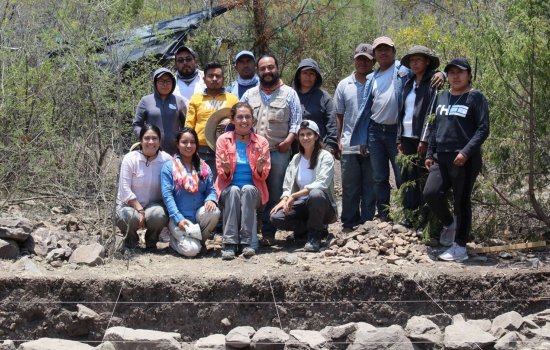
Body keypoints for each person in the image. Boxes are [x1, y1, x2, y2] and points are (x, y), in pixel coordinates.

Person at [350, 36, 445, 222]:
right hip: (375, 131)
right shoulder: (372, 77)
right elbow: (366, 110)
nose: (383, 52)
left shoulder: (404, 70)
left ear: (394, 52)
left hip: (397, 132)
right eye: (379, 50)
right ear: (375, 55)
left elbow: (425, 72)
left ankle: (408, 214)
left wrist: (442, 73)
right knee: (379, 176)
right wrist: (363, 139)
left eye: (387, 49)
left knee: (403, 176)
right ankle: (384, 214)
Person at [423, 58, 489, 261]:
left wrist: (466, 152)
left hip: (464, 158)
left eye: (460, 72)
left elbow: (483, 129)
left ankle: (460, 246)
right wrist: (429, 153)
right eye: (451, 73)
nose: (455, 76)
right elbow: (435, 127)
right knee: (430, 193)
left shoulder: (475, 97)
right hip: (440, 156)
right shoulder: (442, 97)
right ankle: (449, 223)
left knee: (462, 202)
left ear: (469, 75)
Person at [241, 54, 302, 241]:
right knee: (251, 192)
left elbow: (296, 122)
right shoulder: (249, 94)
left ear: (277, 68)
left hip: (278, 152)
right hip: (250, 153)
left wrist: (289, 141)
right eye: (263, 68)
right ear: (258, 71)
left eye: (271, 67)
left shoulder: (289, 93)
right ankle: (249, 233)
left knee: (275, 193)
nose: (267, 71)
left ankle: (268, 233)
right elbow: (239, 119)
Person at [270, 120, 337, 252]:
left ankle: (315, 237)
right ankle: (305, 231)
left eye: (309, 134)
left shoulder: (326, 157)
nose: (305, 138)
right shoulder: (296, 158)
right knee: (276, 217)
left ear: (316, 136)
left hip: (323, 206)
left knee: (315, 194)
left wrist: (294, 196)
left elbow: (321, 183)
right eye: (302, 135)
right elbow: (288, 184)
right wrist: (284, 199)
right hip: (302, 204)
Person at [215, 102, 271, 260]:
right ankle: (230, 243)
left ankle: (246, 243)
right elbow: (221, 173)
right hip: (228, 188)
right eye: (240, 117)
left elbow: (263, 175)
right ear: (232, 120)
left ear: (252, 120)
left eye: (248, 117)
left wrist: (259, 168)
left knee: (246, 189)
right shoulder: (223, 141)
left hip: (253, 189)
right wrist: (226, 170)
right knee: (233, 191)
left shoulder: (261, 142)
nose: (244, 120)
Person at [397, 45, 440, 228]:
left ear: (427, 61)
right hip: (406, 136)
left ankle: (424, 218)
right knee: (408, 177)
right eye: (412, 60)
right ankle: (409, 214)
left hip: (423, 138)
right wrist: (399, 138)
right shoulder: (408, 83)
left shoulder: (434, 83)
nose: (414, 64)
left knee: (423, 178)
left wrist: (424, 139)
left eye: (418, 60)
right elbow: (402, 111)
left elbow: (432, 114)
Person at [161, 128, 221, 257]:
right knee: (191, 251)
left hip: (199, 215)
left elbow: (211, 189)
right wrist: (178, 218)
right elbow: (167, 196)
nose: (189, 146)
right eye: (184, 142)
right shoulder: (168, 167)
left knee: (214, 211)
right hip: (180, 217)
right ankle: (173, 241)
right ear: (177, 144)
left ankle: (201, 241)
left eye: (192, 142)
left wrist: (210, 199)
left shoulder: (203, 166)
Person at [335, 43, 376, 230]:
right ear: (354, 59)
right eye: (359, 58)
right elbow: (339, 115)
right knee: (350, 186)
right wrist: (338, 139)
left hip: (373, 143)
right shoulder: (344, 84)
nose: (362, 63)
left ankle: (367, 222)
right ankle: (349, 222)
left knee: (370, 185)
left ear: (373, 61)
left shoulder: (377, 81)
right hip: (349, 143)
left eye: (366, 60)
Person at [115, 124, 172, 250]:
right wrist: (139, 209)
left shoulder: (167, 159)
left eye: (154, 138)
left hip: (154, 206)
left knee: (159, 215)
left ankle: (151, 241)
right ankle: (130, 241)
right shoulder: (130, 159)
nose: (151, 142)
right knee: (126, 216)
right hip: (130, 205)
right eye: (147, 138)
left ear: (159, 140)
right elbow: (124, 189)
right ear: (140, 140)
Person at [185, 61, 239, 178]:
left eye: (218, 76)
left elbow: (239, 123)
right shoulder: (196, 99)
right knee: (202, 181)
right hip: (201, 149)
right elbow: (189, 126)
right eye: (210, 76)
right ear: (204, 79)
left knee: (225, 180)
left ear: (223, 79)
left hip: (227, 148)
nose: (214, 79)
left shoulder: (233, 100)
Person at [132, 68, 186, 156]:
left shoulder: (179, 101)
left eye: (168, 81)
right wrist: (145, 138)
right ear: (155, 83)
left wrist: (183, 142)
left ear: (173, 83)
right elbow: (137, 124)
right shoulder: (145, 101)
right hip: (151, 150)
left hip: (174, 151)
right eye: (161, 81)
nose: (165, 84)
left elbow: (186, 125)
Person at [292, 58, 338, 155]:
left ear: (316, 77)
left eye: (312, 74)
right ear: (299, 76)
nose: (308, 77)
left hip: (320, 148)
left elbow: (332, 124)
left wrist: (330, 147)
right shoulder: (290, 95)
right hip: (294, 149)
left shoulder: (325, 97)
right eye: (305, 73)